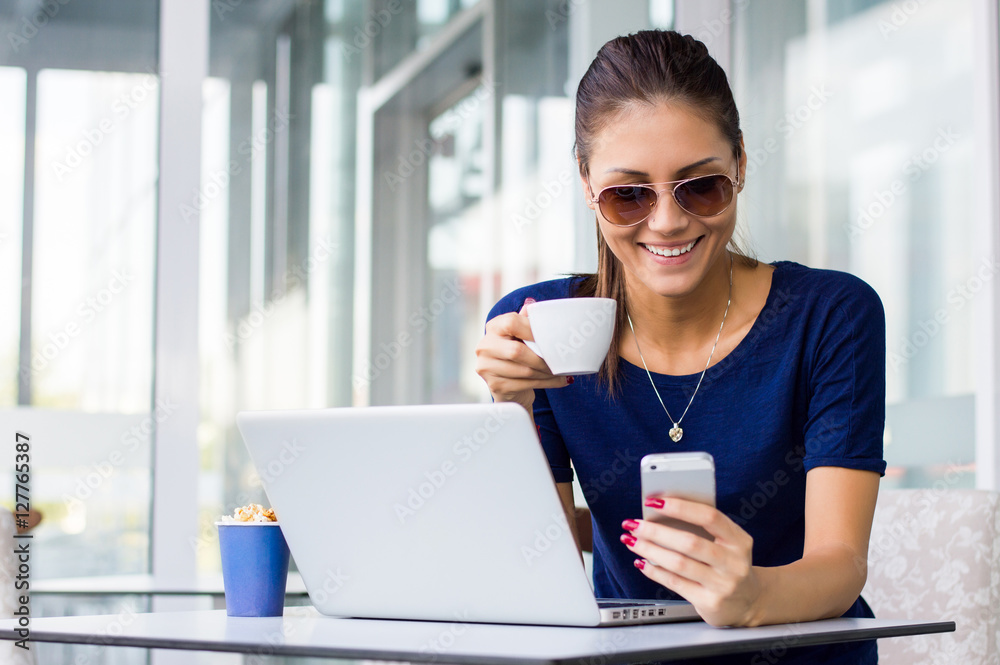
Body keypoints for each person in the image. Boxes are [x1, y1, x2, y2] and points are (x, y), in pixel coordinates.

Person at [475, 30, 885, 664]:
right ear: (587, 183)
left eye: (700, 185)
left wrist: (751, 596)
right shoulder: (540, 328)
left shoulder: (829, 315)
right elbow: (539, 568)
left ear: (741, 164)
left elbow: (840, 564)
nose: (667, 220)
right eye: (629, 194)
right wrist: (510, 410)